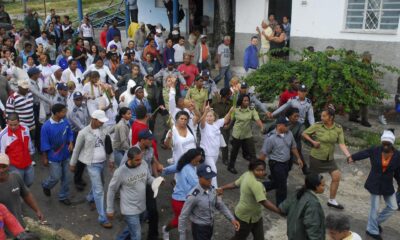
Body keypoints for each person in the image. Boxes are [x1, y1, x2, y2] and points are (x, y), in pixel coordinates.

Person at [348, 129, 400, 240]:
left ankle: (374, 223)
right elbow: (364, 153)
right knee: (374, 208)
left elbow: (398, 172)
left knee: (393, 206)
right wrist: (352, 157)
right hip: (374, 183)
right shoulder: (375, 150)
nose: (385, 146)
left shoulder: (397, 155)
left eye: (388, 144)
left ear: (392, 144)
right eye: (384, 143)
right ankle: (372, 230)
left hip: (387, 185)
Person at [70, 110, 114, 229]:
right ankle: (102, 218)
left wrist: (111, 159)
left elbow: (110, 144)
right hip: (92, 164)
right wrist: (72, 163)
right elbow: (76, 149)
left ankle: (90, 197)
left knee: (100, 183)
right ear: (94, 120)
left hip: (102, 162)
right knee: (99, 190)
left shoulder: (104, 129)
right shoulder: (83, 132)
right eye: (100, 122)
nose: (102, 123)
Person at [302, 106, 352, 210]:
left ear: (331, 117)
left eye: (324, 116)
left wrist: (349, 156)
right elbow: (304, 133)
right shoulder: (317, 126)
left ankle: (331, 200)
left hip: (329, 159)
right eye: (322, 115)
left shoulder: (338, 128)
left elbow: (342, 144)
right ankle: (304, 197)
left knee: (336, 176)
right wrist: (313, 142)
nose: (321, 117)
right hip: (316, 157)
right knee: (312, 180)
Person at [218, 160, 281, 240]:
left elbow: (234, 184)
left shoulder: (246, 174)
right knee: (239, 238)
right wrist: (279, 211)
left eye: (263, 170)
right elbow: (264, 202)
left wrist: (223, 187)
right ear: (252, 169)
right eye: (258, 170)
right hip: (244, 218)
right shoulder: (256, 184)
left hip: (256, 217)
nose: (261, 172)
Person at [178, 164, 240, 240]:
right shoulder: (193, 196)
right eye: (207, 178)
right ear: (199, 177)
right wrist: (182, 236)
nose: (210, 180)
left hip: (210, 225)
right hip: (199, 229)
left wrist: (232, 219)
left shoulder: (212, 190)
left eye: (210, 177)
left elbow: (220, 205)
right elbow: (183, 216)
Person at [107, 147, 156, 240]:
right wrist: (109, 209)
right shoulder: (120, 172)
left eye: (140, 159)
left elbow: (149, 178)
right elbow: (111, 190)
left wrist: (157, 181)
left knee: (132, 229)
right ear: (129, 159)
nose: (140, 161)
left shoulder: (143, 164)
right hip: (129, 210)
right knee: (136, 235)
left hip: (142, 207)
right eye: (137, 160)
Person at [161, 148, 204, 240]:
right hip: (180, 201)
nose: (198, 163)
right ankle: (165, 230)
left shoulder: (182, 163)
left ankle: (166, 230)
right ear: (191, 158)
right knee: (180, 223)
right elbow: (197, 185)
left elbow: (167, 170)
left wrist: (162, 170)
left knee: (183, 223)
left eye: (199, 161)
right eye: (196, 161)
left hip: (185, 199)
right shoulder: (187, 169)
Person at [259, 116, 303, 205]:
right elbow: (264, 154)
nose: (288, 127)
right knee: (282, 186)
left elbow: (293, 147)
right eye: (286, 125)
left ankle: (259, 187)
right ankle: (281, 205)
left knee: (276, 183)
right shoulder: (270, 138)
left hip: (286, 163)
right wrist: (260, 169)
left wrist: (298, 158)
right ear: (279, 126)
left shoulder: (289, 133)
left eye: (288, 125)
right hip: (276, 164)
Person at [41, 104, 73, 205]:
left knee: (66, 177)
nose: (65, 113)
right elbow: (44, 143)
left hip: (66, 154)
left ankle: (63, 196)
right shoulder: (46, 126)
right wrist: (45, 157)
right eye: (63, 111)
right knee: (55, 177)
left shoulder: (65, 121)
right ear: (57, 113)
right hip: (53, 156)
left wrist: (71, 142)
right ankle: (46, 185)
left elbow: (69, 133)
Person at [0, 153, 44, 227]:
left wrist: (37, 210)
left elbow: (26, 195)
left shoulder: (16, 177)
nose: (1, 170)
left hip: (18, 224)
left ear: (9, 166)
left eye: (4, 167)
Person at [279, 173, 326, 240]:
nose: (324, 187)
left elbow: (282, 208)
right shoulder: (312, 203)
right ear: (316, 186)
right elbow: (312, 227)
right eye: (323, 185)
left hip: (292, 235)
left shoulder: (297, 193)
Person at [228, 94, 264, 174]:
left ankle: (255, 170)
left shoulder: (251, 110)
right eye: (245, 101)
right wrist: (227, 126)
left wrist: (261, 126)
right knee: (234, 152)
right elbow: (231, 120)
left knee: (252, 153)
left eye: (248, 100)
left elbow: (257, 118)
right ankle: (231, 166)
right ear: (241, 101)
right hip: (237, 134)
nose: (247, 102)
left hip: (248, 134)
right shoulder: (236, 109)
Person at [200, 104, 233, 187]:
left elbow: (226, 119)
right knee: (213, 171)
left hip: (215, 153)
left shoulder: (217, 124)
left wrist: (231, 111)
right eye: (207, 116)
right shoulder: (204, 126)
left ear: (214, 117)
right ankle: (215, 192)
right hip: (207, 154)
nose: (209, 117)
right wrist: (205, 112)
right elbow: (201, 121)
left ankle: (202, 185)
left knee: (206, 170)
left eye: (211, 116)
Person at [0, 113, 35, 187]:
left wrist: (32, 153)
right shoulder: (3, 135)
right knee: (18, 185)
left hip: (28, 162)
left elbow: (29, 142)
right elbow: (2, 154)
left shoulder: (25, 129)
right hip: (14, 166)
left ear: (19, 122)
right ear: (7, 123)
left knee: (30, 182)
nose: (13, 127)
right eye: (10, 125)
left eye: (15, 124)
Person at [66, 91, 90, 191]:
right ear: (74, 100)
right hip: (77, 134)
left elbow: (88, 119)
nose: (79, 101)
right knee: (78, 158)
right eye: (77, 99)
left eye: (80, 99)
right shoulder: (72, 112)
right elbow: (79, 125)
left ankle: (80, 177)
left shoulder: (84, 106)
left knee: (83, 157)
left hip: (85, 131)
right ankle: (77, 180)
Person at [212, 88, 232, 165]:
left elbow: (231, 116)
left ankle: (225, 159)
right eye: (229, 94)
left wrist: (228, 125)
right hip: (215, 125)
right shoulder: (215, 103)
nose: (230, 95)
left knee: (225, 143)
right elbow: (209, 111)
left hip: (224, 126)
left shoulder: (230, 104)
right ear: (226, 95)